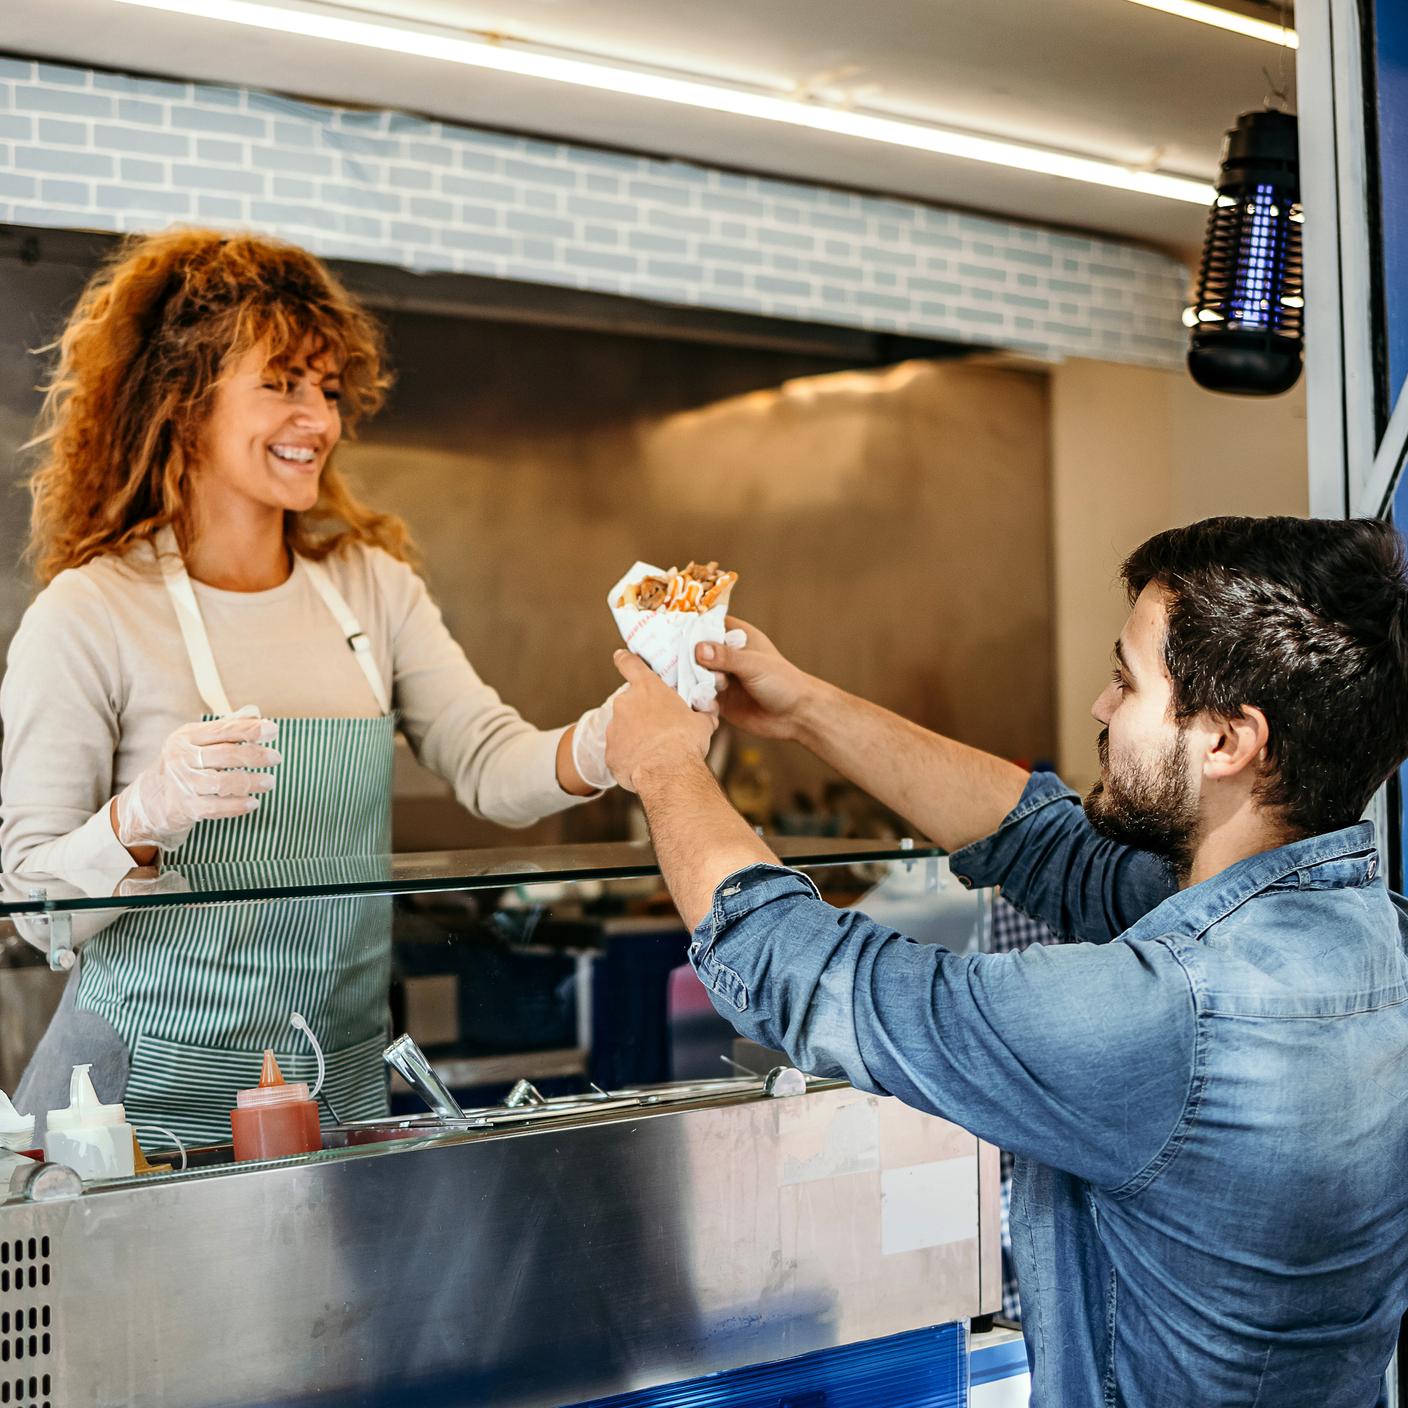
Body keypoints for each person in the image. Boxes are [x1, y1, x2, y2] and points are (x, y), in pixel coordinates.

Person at [604, 515, 1408, 1407]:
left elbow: (802, 969)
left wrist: (664, 764)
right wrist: (802, 707)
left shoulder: (1169, 1016)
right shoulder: (1371, 938)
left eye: (1125, 681)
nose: (1102, 708)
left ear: (1227, 741)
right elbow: (1050, 846)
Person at [1, 229, 619, 1143]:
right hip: (134, 1108)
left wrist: (610, 744)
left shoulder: (372, 587)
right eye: (281, 383)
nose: (319, 419)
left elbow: (489, 763)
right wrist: (141, 819)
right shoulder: (90, 612)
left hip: (330, 1087)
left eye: (327, 390)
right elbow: (31, 904)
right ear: (184, 401)